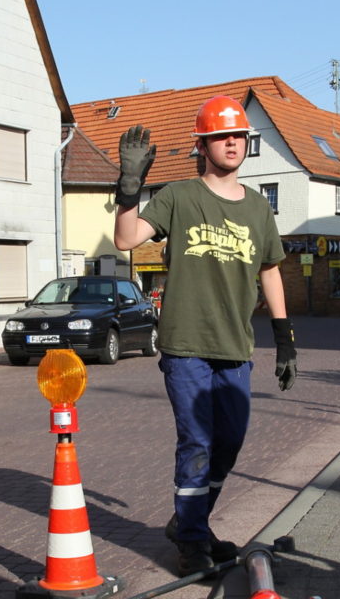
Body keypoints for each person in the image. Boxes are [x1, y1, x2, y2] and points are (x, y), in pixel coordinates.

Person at [113, 95, 297, 577]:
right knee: (196, 441)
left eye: (239, 135)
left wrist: (284, 336)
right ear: (203, 144)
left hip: (235, 346)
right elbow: (126, 239)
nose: (233, 142)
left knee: (229, 443)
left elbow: (271, 272)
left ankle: (188, 520)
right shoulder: (179, 196)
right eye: (222, 136)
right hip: (185, 344)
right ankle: (193, 541)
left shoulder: (259, 209)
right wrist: (129, 186)